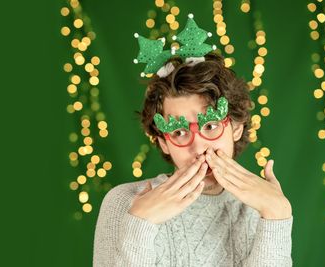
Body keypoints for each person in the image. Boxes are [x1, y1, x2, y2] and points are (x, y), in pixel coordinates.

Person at [93, 14, 293, 267]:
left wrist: (277, 215)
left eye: (210, 126)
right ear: (162, 142)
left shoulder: (262, 208)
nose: (198, 147)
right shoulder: (124, 202)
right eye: (178, 132)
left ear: (237, 128)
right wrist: (140, 223)